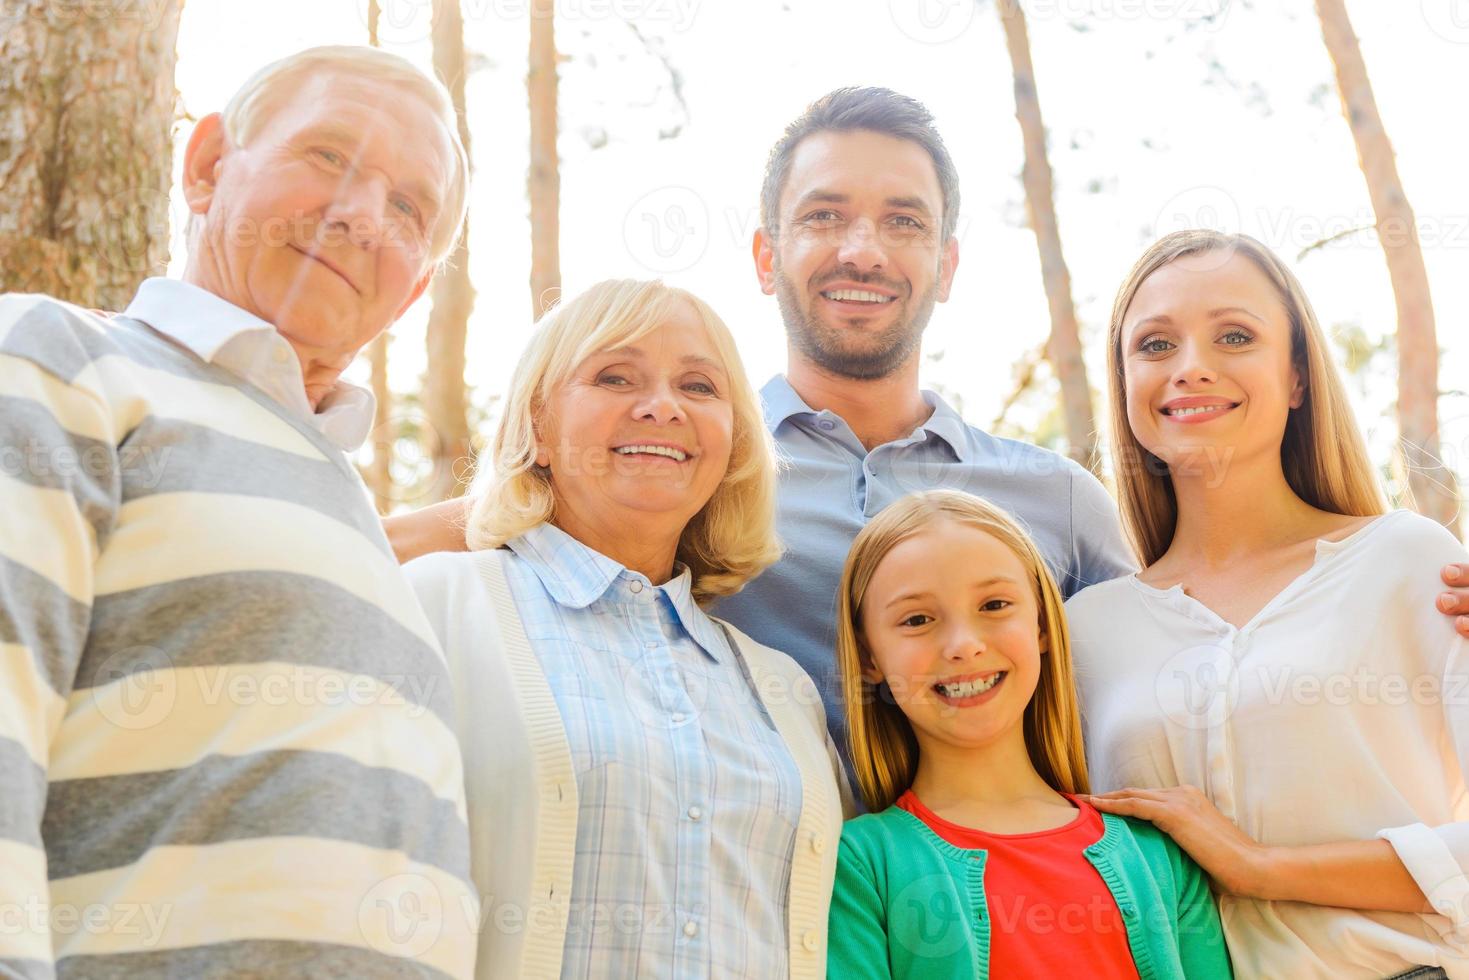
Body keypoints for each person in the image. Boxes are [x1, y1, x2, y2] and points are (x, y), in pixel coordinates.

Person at [382, 88, 1469, 781]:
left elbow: (1205, 659)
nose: (863, 247)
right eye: (823, 215)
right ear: (766, 256)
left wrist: (1417, 602)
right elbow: (500, 531)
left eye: (903, 220)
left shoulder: (1055, 500)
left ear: (945, 264)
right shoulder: (680, 464)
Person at [0, 47, 476, 977]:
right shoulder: (60, 355)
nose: (358, 216)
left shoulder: (349, 511)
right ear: (209, 164)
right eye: (329, 157)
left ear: (415, 284)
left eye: (408, 208)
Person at [405, 278, 851, 979]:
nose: (662, 407)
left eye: (700, 387)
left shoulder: (782, 690)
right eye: (615, 376)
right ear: (538, 428)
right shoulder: (434, 608)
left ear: (732, 444)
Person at [1068, 230, 1468, 979]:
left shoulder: (1408, 563)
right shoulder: (1083, 631)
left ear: (1295, 377)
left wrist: (1259, 867)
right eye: (1153, 345)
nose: (1190, 368)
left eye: (1233, 335)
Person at [826, 489, 1231, 979]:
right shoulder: (859, 866)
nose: (964, 645)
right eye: (917, 619)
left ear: (1041, 624)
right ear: (870, 658)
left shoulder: (1157, 857)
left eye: (994, 604)